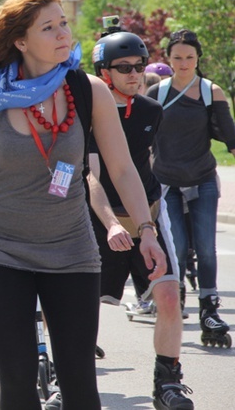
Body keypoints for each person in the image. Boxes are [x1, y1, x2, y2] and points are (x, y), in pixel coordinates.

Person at [0, 0, 166, 409]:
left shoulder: (89, 91)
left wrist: (147, 230)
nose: (64, 33)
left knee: (80, 384)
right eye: (49, 27)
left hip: (72, 248)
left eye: (63, 22)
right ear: (21, 41)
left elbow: (122, 169)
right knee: (19, 380)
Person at [89, 30, 193, 409]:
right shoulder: (86, 113)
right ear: (104, 73)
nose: (135, 74)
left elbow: (144, 163)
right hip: (96, 219)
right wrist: (112, 224)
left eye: (140, 67)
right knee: (75, 303)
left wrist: (144, 223)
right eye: (124, 68)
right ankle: (66, 378)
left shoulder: (151, 110)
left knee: (168, 296)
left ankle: (168, 381)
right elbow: (91, 177)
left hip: (146, 214)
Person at [146, 29, 234, 348]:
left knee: (207, 248)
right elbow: (143, 140)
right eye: (177, 57)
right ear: (168, 59)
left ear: (198, 59)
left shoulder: (212, 92)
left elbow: (230, 138)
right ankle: (176, 304)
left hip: (202, 179)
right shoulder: (156, 94)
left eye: (190, 58)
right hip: (166, 182)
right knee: (177, 249)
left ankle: (209, 309)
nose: (184, 64)